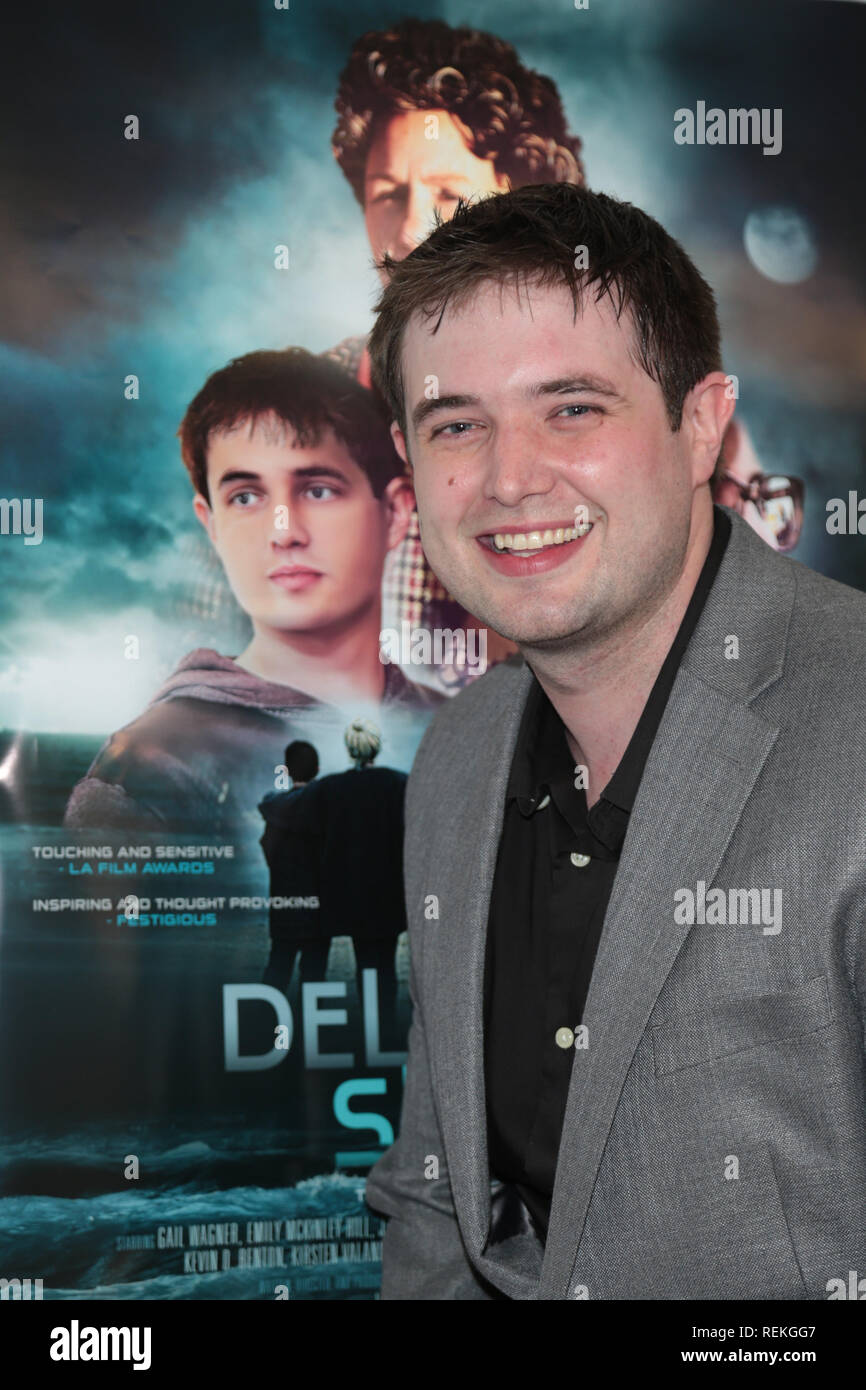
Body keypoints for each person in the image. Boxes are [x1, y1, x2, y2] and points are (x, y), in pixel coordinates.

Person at [362, 182, 866, 1299]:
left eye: (573, 408)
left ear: (701, 426)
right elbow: (438, 1201)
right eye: (457, 425)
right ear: (409, 460)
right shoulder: (456, 757)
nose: (509, 478)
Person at [326, 18, 804, 690]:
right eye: (387, 196)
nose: (409, 230)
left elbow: (751, 665)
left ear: (528, 203)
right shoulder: (309, 399)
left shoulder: (677, 421)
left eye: (448, 195)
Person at [64, 349, 443, 834]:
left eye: (318, 490)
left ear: (395, 513)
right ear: (211, 525)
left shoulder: (456, 726)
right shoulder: (147, 770)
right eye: (245, 497)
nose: (283, 532)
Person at [260, 718, 407, 1042]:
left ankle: (372, 1035)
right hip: (390, 896)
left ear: (349, 748)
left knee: (366, 964)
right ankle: (382, 1034)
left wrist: (268, 800)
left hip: (351, 896)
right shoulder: (400, 784)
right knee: (384, 966)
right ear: (377, 746)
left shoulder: (332, 787)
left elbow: (284, 807)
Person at [260, 740, 329, 989]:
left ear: (287, 770)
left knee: (278, 967)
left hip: (284, 902)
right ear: (317, 770)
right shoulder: (325, 809)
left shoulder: (275, 810)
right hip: (318, 906)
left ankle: (266, 1013)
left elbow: (268, 848)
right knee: (314, 976)